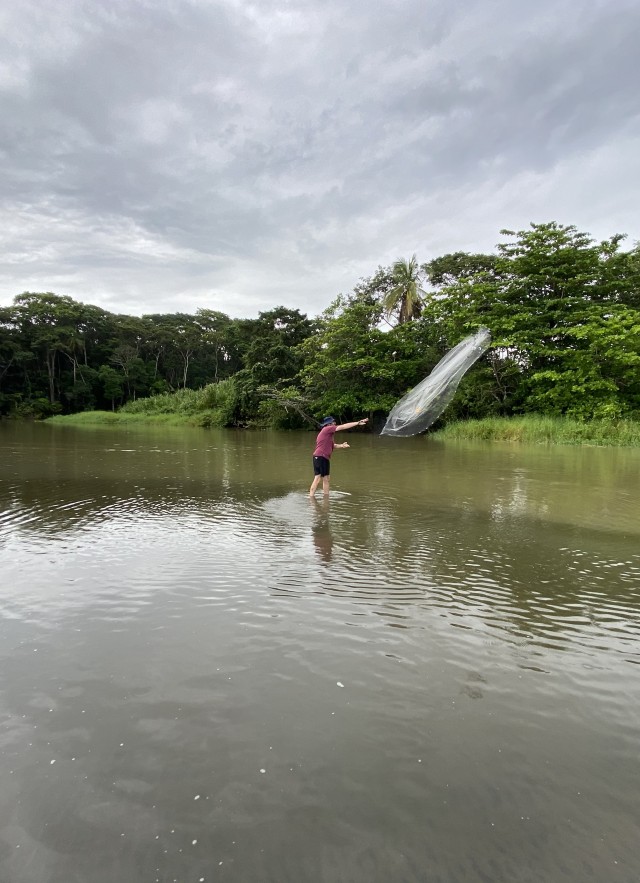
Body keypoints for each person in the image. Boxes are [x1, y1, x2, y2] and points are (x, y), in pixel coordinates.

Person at [309, 415, 368, 497]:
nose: (335, 423)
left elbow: (333, 445)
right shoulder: (327, 429)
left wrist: (342, 446)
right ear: (329, 424)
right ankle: (311, 498)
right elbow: (343, 426)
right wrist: (358, 423)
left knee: (326, 479)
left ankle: (326, 498)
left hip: (322, 457)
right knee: (318, 478)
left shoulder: (328, 434)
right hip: (321, 456)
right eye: (333, 422)